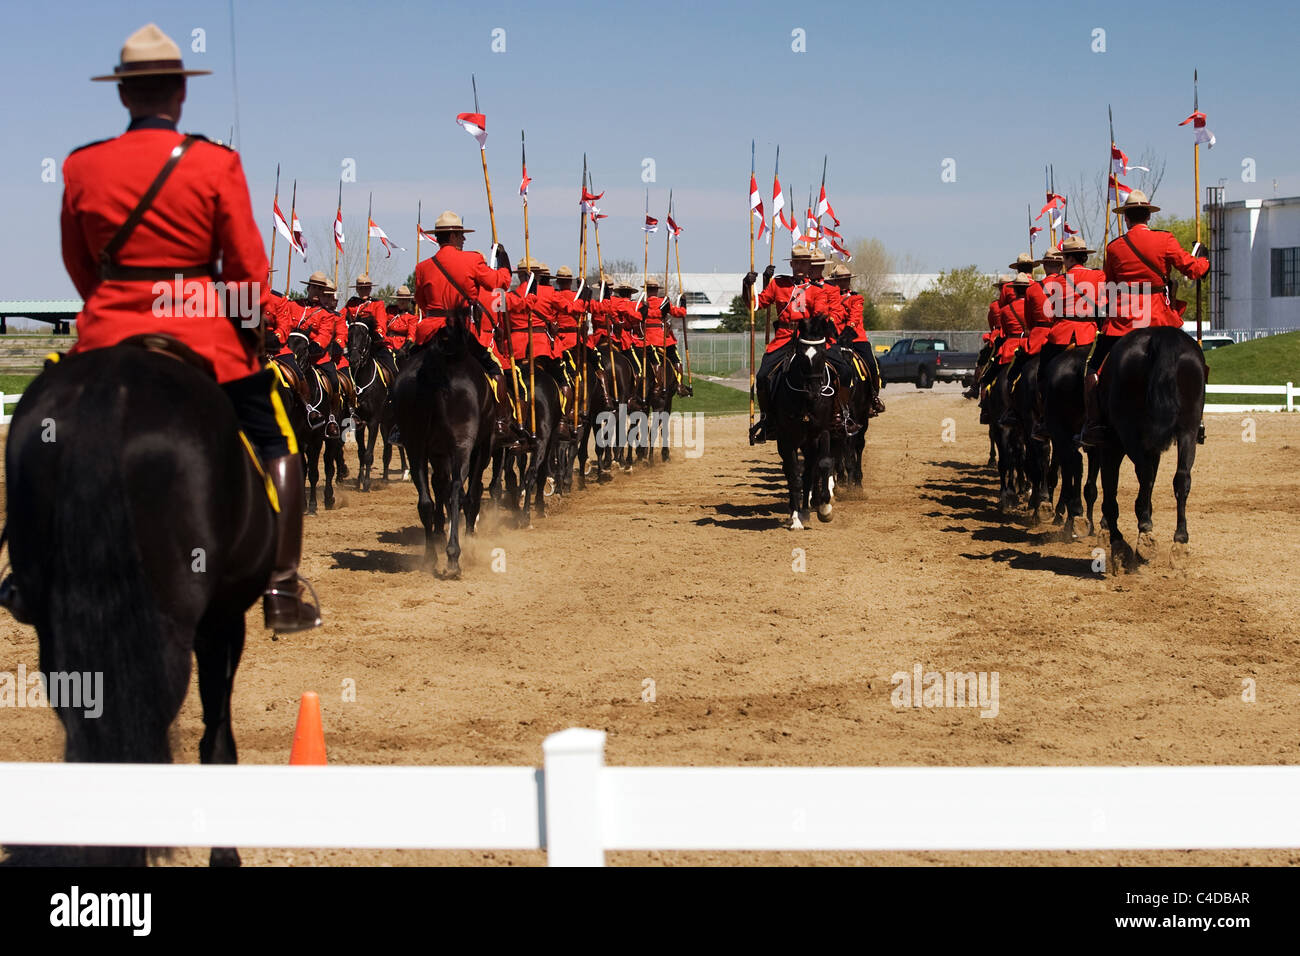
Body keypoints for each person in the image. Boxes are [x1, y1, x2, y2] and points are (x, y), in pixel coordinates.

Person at [45, 23, 319, 630]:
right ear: (180, 94)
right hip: (201, 329)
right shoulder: (214, 164)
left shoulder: (82, 166)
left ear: (122, 95)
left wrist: (112, 308)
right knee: (278, 438)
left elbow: (77, 261)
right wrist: (246, 334)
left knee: (45, 423)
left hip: (110, 328)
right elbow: (248, 265)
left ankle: (31, 571)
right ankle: (281, 586)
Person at [1078, 189, 1209, 446]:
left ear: (1126, 218)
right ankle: (1195, 417)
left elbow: (1110, 286)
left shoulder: (1115, 248)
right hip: (1160, 317)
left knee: (1093, 368)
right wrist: (1203, 258)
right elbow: (1192, 269)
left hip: (1125, 321)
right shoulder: (1165, 240)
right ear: (1148, 216)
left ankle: (1095, 423)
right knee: (1196, 359)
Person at [413, 210, 525, 441]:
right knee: (495, 371)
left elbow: (421, 303)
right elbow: (499, 282)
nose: (464, 240)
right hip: (459, 332)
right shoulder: (472, 259)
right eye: (461, 235)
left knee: (406, 370)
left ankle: (399, 422)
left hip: (429, 333)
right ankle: (502, 422)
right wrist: (505, 264)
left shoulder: (422, 267)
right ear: (453, 235)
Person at [1034, 236, 1105, 441]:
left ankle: (1045, 419)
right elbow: (1105, 301)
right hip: (1089, 333)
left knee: (1043, 373)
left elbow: (1049, 313)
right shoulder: (1098, 276)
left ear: (1066, 258)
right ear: (1084, 257)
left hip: (1061, 335)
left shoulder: (1056, 282)